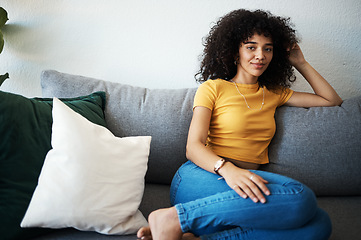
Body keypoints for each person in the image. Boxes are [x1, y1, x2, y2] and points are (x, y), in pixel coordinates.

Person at [137, 9, 342, 240]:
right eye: (251, 47)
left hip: (245, 179)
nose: (260, 55)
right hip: (200, 176)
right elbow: (193, 147)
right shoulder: (213, 88)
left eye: (268, 48)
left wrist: (300, 62)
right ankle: (176, 218)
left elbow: (331, 100)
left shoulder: (274, 93)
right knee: (301, 197)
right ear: (235, 51)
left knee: (320, 224)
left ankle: (192, 236)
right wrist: (228, 170)